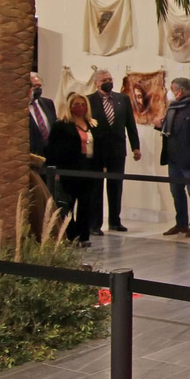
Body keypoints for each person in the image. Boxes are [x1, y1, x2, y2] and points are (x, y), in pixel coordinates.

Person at [88, 69, 141, 236]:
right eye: (104, 79)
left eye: (110, 79)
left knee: (116, 186)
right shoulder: (89, 101)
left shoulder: (122, 99)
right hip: (96, 152)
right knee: (96, 188)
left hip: (117, 150)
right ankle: (95, 224)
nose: (108, 81)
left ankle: (115, 221)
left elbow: (130, 125)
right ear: (96, 83)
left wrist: (135, 147)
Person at [46, 92, 98, 246]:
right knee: (67, 205)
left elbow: (99, 147)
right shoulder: (61, 125)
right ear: (70, 107)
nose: (80, 107)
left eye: (83, 104)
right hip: (68, 169)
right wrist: (55, 170)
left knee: (86, 205)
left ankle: (84, 236)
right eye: (76, 104)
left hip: (88, 169)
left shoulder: (93, 124)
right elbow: (52, 149)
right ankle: (70, 235)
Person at [159, 77, 190, 238]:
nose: (170, 92)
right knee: (176, 192)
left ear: (179, 91)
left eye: (172, 89)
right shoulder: (172, 108)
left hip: (189, 160)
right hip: (173, 159)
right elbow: (170, 131)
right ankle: (181, 223)